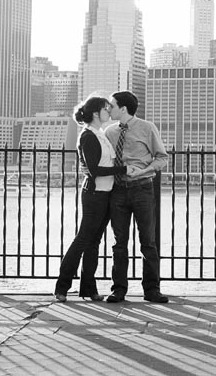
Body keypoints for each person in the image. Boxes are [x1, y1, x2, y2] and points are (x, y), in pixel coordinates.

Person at [54, 96, 129, 302]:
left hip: (106, 194)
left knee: (93, 242)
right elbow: (95, 169)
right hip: (94, 194)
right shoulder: (88, 136)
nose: (109, 112)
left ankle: (88, 288)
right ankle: (62, 286)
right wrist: (124, 169)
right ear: (96, 113)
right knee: (82, 240)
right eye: (106, 109)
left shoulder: (101, 134)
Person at [105, 90, 169, 303]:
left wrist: (142, 171)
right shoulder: (109, 132)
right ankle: (118, 290)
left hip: (142, 188)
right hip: (118, 190)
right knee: (119, 242)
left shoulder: (147, 128)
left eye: (111, 106)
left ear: (123, 108)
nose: (109, 109)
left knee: (147, 242)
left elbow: (162, 158)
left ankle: (152, 290)